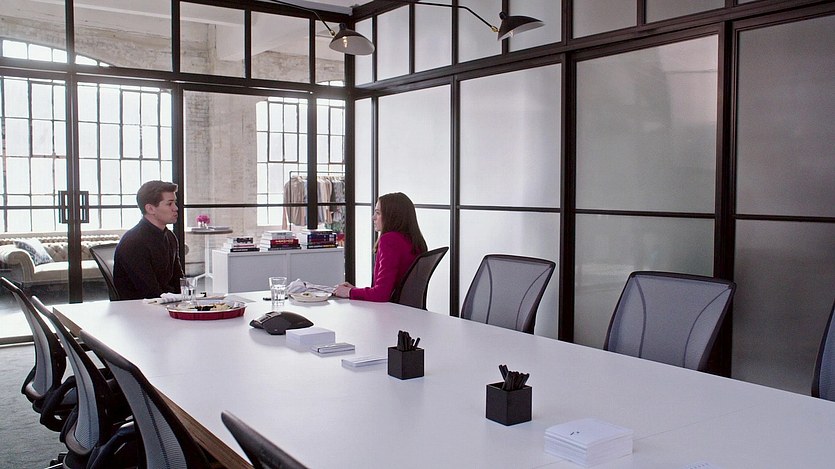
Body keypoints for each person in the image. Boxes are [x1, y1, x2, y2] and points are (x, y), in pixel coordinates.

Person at [334, 192, 427, 302]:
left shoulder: (390, 240)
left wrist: (349, 292)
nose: (373, 217)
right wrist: (354, 290)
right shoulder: (416, 240)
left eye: (378, 213)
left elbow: (381, 294)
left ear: (392, 216)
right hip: (406, 310)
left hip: (390, 310)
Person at [113, 180, 184, 300]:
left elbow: (178, 280)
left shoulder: (169, 236)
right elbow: (149, 292)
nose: (176, 208)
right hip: (140, 307)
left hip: (167, 303)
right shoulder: (133, 242)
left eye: (175, 203)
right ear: (150, 209)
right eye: (169, 204)